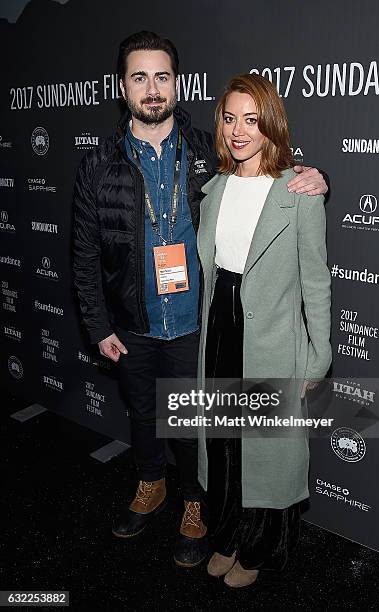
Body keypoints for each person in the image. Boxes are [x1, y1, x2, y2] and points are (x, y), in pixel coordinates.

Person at [72, 31, 329, 569]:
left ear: (177, 83)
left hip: (196, 324)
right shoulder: (98, 163)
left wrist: (319, 175)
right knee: (144, 415)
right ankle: (150, 484)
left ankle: (196, 503)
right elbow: (84, 253)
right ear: (123, 87)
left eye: (161, 76)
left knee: (196, 429)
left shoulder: (203, 155)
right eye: (139, 77)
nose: (152, 87)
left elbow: (268, 180)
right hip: (133, 321)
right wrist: (98, 326)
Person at [196, 73, 331, 587]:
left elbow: (315, 282)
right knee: (225, 442)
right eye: (230, 118)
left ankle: (257, 549)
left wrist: (318, 358)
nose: (238, 131)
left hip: (271, 335)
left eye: (251, 120)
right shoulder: (214, 188)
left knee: (266, 448)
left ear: (270, 124)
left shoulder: (297, 192)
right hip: (220, 329)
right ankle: (227, 535)